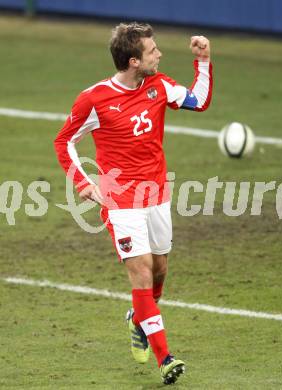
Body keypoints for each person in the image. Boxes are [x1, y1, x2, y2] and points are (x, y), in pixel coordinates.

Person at [54, 22, 212, 385]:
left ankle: (139, 318)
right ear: (134, 61)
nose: (160, 54)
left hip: (156, 195)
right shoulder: (93, 99)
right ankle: (165, 358)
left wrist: (204, 60)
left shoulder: (159, 86)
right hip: (120, 200)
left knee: (159, 271)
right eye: (153, 50)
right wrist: (84, 181)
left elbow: (199, 100)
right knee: (140, 272)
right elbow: (64, 142)